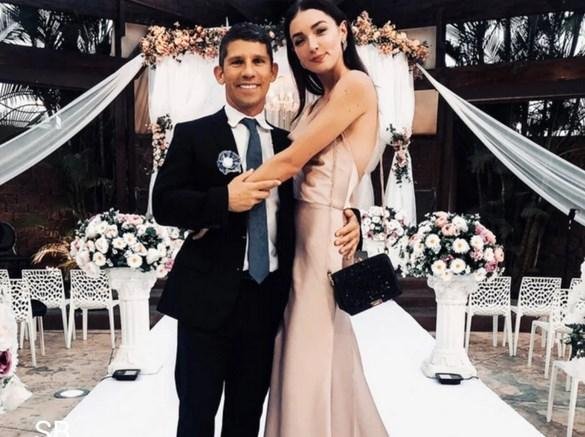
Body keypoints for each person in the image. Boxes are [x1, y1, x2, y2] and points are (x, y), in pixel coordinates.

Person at [152, 22, 362, 437]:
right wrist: (221, 201)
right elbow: (164, 204)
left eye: (257, 62)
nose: (247, 71)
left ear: (272, 72)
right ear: (220, 73)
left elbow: (317, 197)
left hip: (266, 300)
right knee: (196, 414)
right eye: (237, 62)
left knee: (246, 416)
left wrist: (353, 216)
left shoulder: (290, 144)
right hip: (205, 300)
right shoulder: (194, 135)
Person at [243, 1, 389, 435]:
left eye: (320, 30)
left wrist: (221, 198)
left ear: (343, 31)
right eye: (299, 39)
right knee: (311, 344)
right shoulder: (316, 102)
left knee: (309, 347)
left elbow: (292, 161)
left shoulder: (356, 84)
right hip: (299, 232)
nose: (311, 45)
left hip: (323, 235)